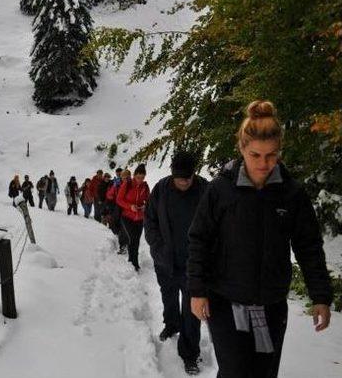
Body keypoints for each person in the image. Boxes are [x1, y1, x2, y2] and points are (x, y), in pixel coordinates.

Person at [187, 101, 332, 378]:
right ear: (242, 149)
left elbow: (308, 246)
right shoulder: (221, 190)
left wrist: (321, 296)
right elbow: (199, 239)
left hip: (272, 304)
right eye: (255, 155)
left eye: (271, 155)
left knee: (264, 373)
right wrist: (197, 290)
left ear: (279, 152)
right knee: (235, 372)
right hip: (226, 301)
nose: (263, 164)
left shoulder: (291, 194)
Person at [144, 151, 208, 375]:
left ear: (194, 174)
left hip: (194, 264)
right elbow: (149, 221)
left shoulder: (205, 190)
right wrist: (158, 247)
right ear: (172, 175)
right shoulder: (161, 189)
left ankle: (190, 354)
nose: (183, 182)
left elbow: (217, 224)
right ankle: (171, 325)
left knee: (192, 312)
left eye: (187, 179)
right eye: (179, 178)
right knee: (168, 297)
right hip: (166, 261)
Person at [116, 164, 149, 271]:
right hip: (127, 217)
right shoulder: (127, 184)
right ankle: (133, 262)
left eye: (142, 178)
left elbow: (149, 201)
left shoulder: (145, 186)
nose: (140, 180)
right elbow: (119, 200)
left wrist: (145, 206)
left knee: (137, 240)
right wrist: (130, 206)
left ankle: (134, 260)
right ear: (134, 175)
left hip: (139, 218)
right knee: (132, 239)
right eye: (138, 177)